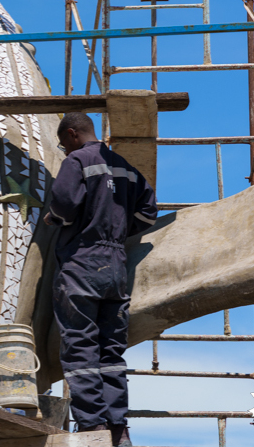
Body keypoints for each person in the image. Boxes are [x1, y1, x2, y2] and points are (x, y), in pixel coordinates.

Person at [43, 113, 157, 447]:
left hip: (82, 261)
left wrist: (57, 218)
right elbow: (147, 212)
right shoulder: (124, 167)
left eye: (64, 144)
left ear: (73, 134)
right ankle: (118, 429)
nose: (64, 151)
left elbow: (64, 204)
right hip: (116, 266)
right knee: (111, 351)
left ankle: (92, 426)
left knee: (80, 347)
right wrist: (119, 231)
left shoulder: (78, 160)